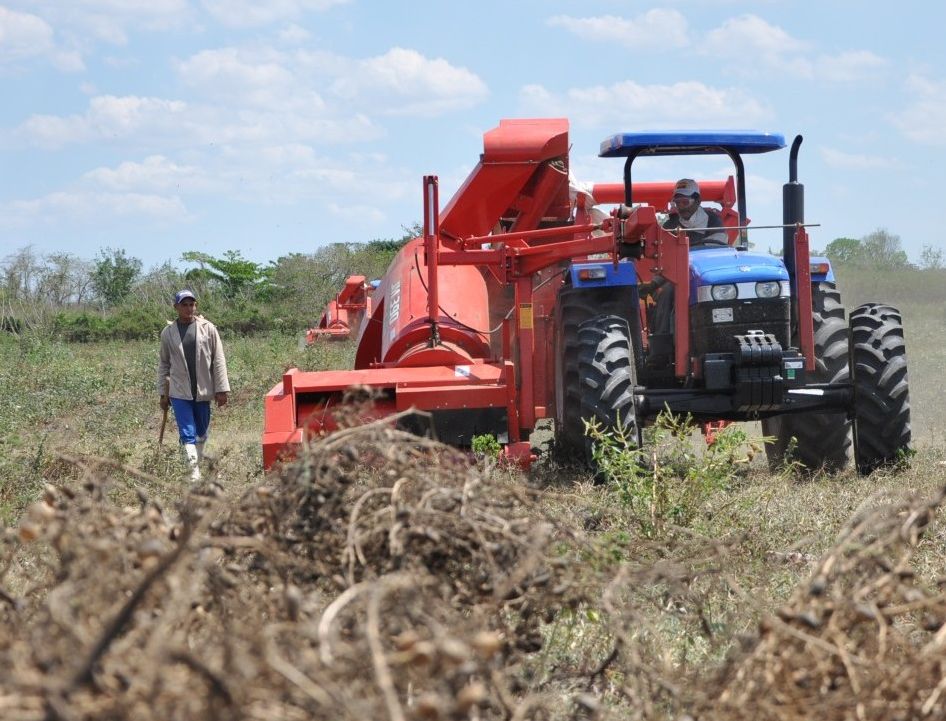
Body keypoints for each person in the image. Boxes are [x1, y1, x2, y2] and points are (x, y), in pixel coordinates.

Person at [641, 179, 729, 367]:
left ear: (697, 201)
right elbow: (662, 259)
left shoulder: (713, 220)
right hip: (677, 276)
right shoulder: (669, 226)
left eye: (685, 202)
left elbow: (717, 249)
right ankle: (662, 347)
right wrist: (654, 283)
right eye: (677, 203)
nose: (681, 207)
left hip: (706, 274)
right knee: (666, 294)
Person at [157, 290, 230, 481]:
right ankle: (194, 474)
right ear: (176, 307)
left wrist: (221, 389)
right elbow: (164, 363)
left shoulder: (208, 328)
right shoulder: (168, 332)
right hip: (179, 391)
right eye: (184, 305)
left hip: (203, 390)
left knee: (202, 432)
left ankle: (198, 463)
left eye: (192, 304)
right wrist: (162, 394)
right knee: (187, 432)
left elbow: (218, 359)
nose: (189, 308)